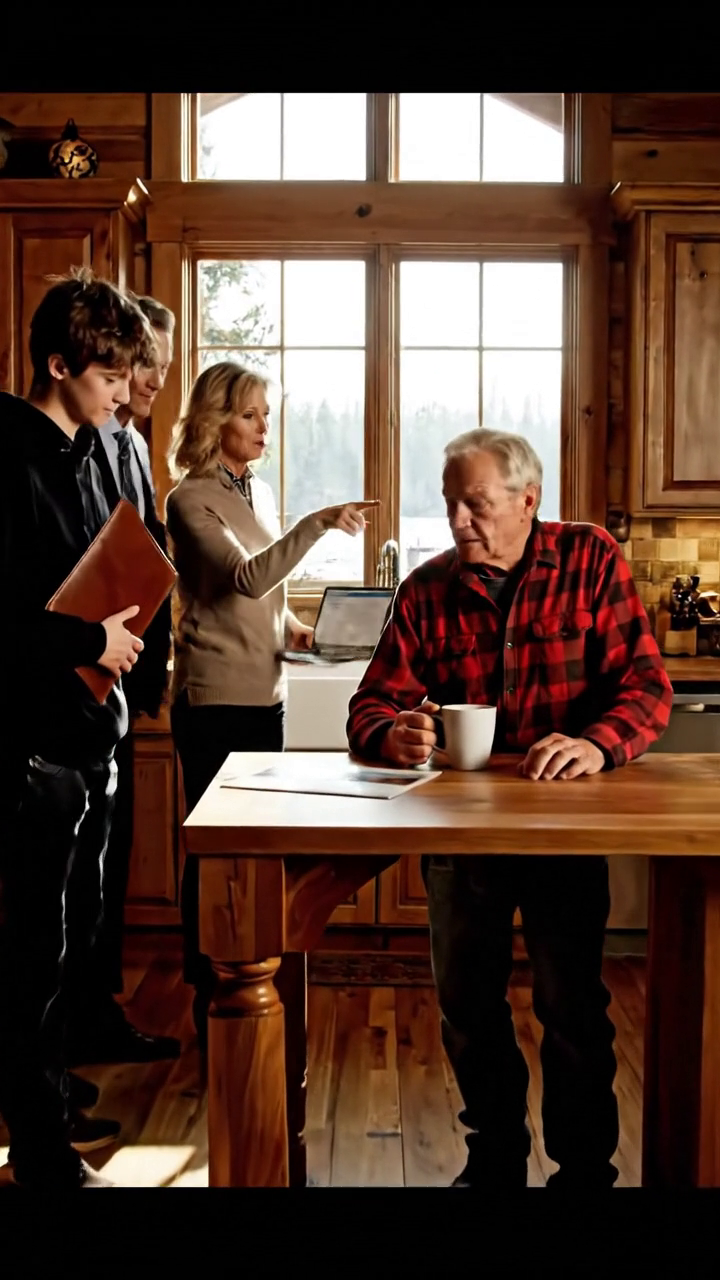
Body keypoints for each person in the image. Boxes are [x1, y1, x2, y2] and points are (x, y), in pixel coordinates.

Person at [346, 427, 673, 1191]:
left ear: (529, 501)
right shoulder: (427, 589)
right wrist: (389, 732)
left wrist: (596, 744)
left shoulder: (590, 560)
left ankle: (584, 1169)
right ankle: (493, 1157)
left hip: (562, 828)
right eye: (451, 504)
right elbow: (370, 705)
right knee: (466, 1006)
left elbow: (647, 688)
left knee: (572, 1006)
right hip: (462, 839)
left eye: (478, 504)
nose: (460, 521)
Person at [165, 360, 378, 1046]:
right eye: (251, 414)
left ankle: (245, 972)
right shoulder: (189, 498)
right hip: (216, 698)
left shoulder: (251, 490)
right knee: (216, 851)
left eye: (266, 414)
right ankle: (210, 987)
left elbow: (264, 602)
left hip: (265, 693)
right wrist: (317, 523)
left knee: (254, 847)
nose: (265, 427)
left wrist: (298, 631)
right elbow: (247, 579)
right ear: (214, 419)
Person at [0, 267, 156, 1189]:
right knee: (31, 952)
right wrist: (90, 634)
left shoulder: (86, 452)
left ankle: (50, 1104)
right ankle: (41, 1147)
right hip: (27, 745)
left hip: (83, 729)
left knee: (63, 943)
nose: (120, 396)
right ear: (58, 365)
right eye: (105, 380)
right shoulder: (7, 456)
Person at [63, 293, 180, 1068]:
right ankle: (69, 1028)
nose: (151, 383)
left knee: (104, 869)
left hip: (128, 677)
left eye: (162, 369)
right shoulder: (84, 440)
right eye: (143, 367)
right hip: (80, 674)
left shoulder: (135, 445)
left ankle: (96, 1013)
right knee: (75, 882)